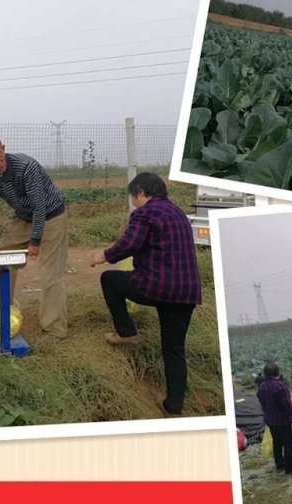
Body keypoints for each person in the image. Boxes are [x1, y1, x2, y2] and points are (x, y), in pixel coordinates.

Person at [88, 173, 202, 417]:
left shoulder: (145, 213)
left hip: (157, 286)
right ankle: (173, 406)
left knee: (109, 279)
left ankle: (127, 333)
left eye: (133, 197)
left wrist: (104, 256)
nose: (133, 202)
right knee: (174, 349)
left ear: (141, 193)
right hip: (187, 291)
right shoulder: (179, 213)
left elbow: (130, 243)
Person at [0, 134, 68, 339]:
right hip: (24, 217)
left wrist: (35, 241)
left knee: (50, 273)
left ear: (4, 148)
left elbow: (39, 205)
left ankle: (55, 328)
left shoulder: (26, 166)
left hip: (51, 215)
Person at [257, 362, 292, 476]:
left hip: (270, 419)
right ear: (278, 373)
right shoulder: (280, 386)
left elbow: (262, 403)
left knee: (277, 442)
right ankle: (290, 469)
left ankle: (279, 464)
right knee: (288, 444)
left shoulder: (261, 387)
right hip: (282, 420)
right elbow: (287, 405)